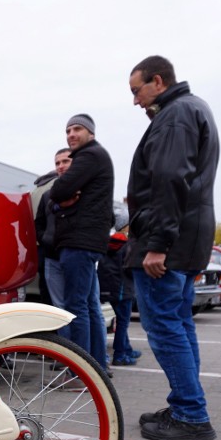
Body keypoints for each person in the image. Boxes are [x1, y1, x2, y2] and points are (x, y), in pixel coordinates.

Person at [127, 55, 219, 440]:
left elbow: (168, 180)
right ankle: (185, 405)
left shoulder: (176, 115)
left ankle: (191, 416)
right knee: (179, 326)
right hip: (190, 238)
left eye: (137, 90)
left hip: (169, 243)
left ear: (158, 81)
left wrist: (157, 245)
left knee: (165, 329)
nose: (135, 101)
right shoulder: (195, 108)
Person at [48, 114, 114, 373]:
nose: (71, 134)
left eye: (77, 129)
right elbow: (59, 196)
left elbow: (59, 189)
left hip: (79, 241)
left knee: (76, 307)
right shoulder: (95, 157)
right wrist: (59, 200)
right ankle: (95, 366)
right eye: (68, 130)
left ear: (91, 133)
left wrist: (59, 198)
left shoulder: (89, 156)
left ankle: (81, 371)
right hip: (87, 242)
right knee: (87, 306)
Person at [34, 148, 72, 311]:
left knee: (77, 306)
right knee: (54, 306)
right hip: (50, 256)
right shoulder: (47, 195)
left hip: (75, 254)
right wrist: (46, 239)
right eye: (58, 163)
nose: (61, 166)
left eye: (65, 161)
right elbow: (39, 222)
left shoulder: (86, 190)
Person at [98, 221, 140, 366]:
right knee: (123, 323)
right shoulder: (127, 245)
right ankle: (120, 354)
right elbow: (130, 268)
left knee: (120, 320)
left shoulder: (107, 244)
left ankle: (127, 349)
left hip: (109, 287)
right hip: (124, 288)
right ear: (125, 227)